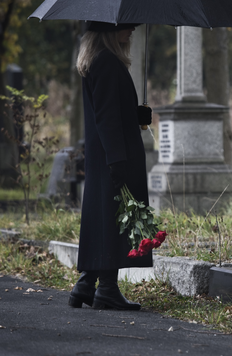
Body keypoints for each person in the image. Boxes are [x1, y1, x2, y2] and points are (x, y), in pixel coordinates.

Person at [68, 21, 153, 310]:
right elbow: (105, 117)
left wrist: (136, 113)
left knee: (105, 217)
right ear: (109, 30)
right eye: (126, 26)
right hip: (114, 156)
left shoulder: (101, 61)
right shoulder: (105, 62)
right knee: (113, 220)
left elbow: (112, 110)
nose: (132, 30)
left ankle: (86, 285)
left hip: (107, 154)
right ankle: (105, 289)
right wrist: (117, 160)